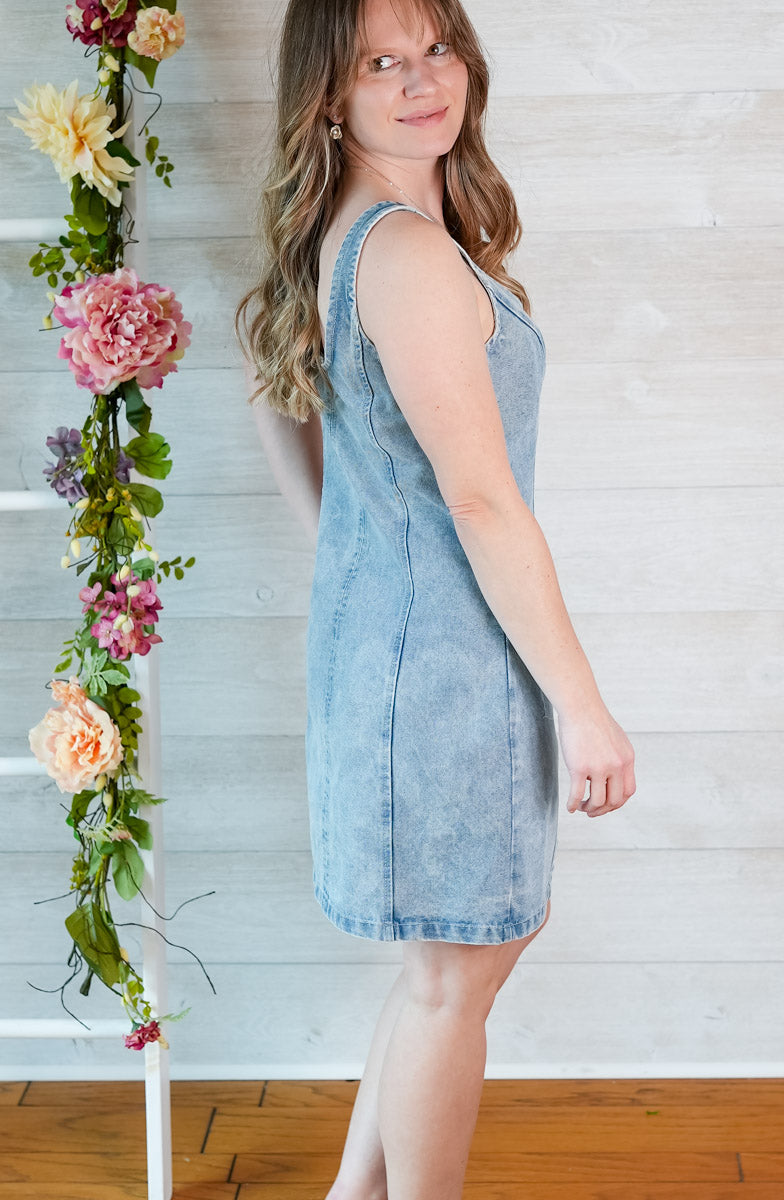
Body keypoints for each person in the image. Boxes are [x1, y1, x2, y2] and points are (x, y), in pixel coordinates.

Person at [235, 1, 636, 1196]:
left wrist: (362, 559)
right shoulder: (401, 254)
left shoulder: (362, 231)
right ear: (329, 92)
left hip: (418, 654)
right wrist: (587, 705)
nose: (420, 81)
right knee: (453, 976)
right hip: (442, 673)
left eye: (435, 49)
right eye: (379, 62)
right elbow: (479, 502)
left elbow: (269, 389)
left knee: (443, 971)